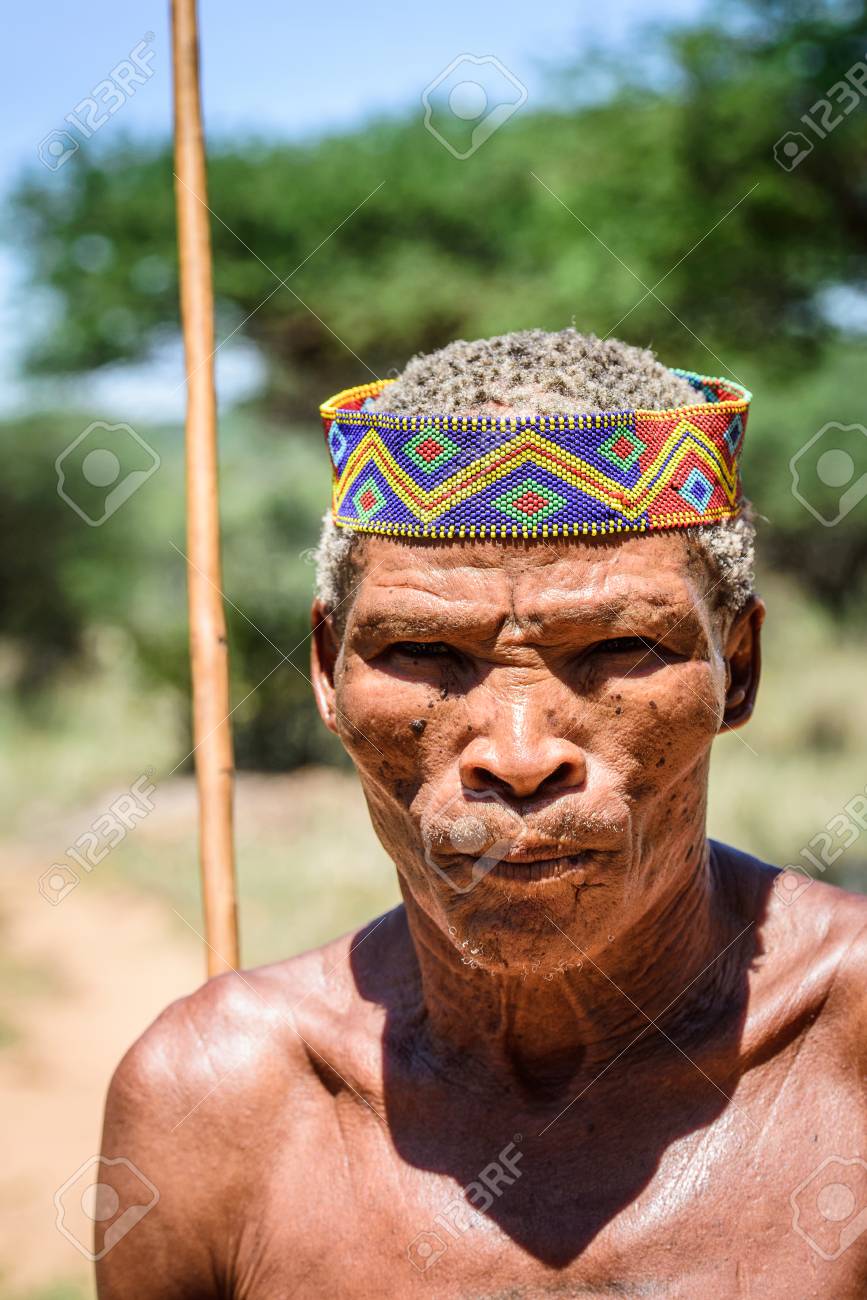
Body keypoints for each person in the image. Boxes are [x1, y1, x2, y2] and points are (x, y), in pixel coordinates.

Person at [96, 331, 867, 1299]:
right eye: (424, 651)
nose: (515, 752)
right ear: (328, 671)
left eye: (621, 645)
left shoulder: (849, 1050)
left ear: (738, 667)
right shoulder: (215, 1102)